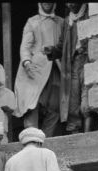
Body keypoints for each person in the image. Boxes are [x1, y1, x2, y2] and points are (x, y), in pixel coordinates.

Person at [13, 3, 63, 138]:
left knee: (55, 107)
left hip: (55, 69)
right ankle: (31, 139)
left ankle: (46, 140)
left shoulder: (61, 22)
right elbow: (25, 46)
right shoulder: (32, 22)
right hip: (35, 69)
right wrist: (27, 62)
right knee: (31, 104)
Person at [45, 3, 96, 134]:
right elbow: (62, 45)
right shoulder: (68, 21)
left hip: (88, 60)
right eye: (67, 2)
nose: (70, 4)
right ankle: (75, 134)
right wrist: (52, 51)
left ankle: (88, 134)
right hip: (73, 63)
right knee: (72, 102)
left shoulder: (90, 13)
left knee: (87, 101)